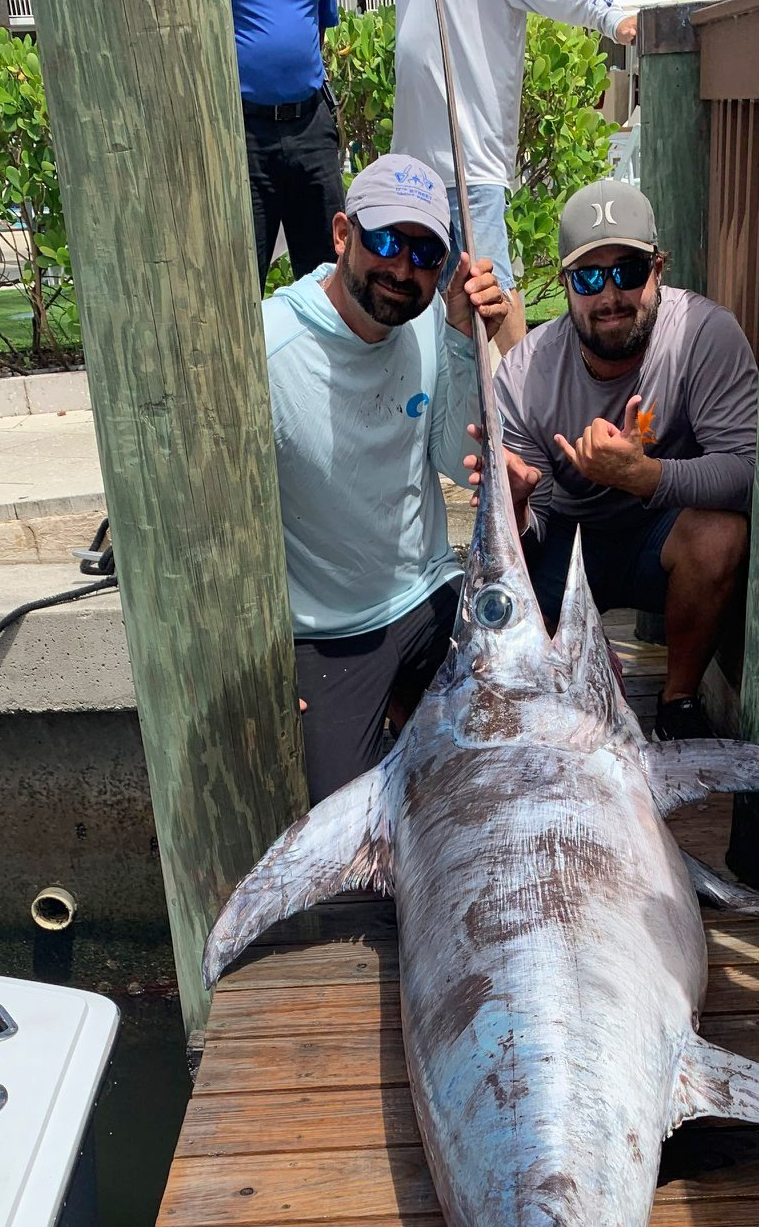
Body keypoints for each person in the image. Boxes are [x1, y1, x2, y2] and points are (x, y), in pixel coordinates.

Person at [263, 154, 508, 802]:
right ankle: (408, 727)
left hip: (428, 593)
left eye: (425, 253)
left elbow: (460, 463)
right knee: (349, 842)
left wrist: (465, 339)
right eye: (386, 242)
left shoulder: (431, 320)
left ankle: (414, 722)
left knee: (520, 749)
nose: (402, 269)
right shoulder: (264, 348)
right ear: (343, 234)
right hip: (328, 630)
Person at [494, 180, 757, 742]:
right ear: (564, 285)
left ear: (659, 268)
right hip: (563, 542)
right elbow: (520, 535)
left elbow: (746, 470)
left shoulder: (704, 335)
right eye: (589, 277)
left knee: (721, 534)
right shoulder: (522, 374)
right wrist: (515, 506)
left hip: (656, 538)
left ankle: (678, 701)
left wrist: (646, 477)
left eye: (629, 271)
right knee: (529, 672)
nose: (610, 294)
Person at [392, 0, 637, 354]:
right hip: (412, 170)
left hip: (472, 167)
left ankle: (525, 402)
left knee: (495, 290)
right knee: (418, 295)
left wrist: (612, 19)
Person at [231, 0, 346, 282]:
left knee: (330, 273)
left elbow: (317, 29)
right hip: (245, 132)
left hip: (311, 125)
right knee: (241, 274)